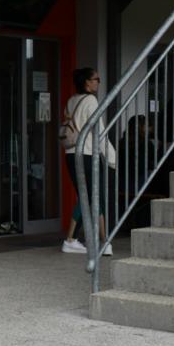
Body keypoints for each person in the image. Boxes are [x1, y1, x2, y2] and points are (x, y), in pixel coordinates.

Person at [62, 67, 116, 256]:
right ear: (86, 82)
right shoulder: (91, 100)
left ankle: (103, 240)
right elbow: (99, 132)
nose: (98, 82)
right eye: (96, 79)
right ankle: (71, 240)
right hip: (85, 155)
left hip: (70, 154)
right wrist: (112, 157)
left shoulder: (71, 101)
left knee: (92, 197)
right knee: (91, 196)